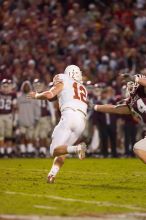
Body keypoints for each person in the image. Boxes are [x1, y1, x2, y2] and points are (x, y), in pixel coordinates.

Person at [28, 65, 88, 183]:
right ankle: (52, 174)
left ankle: (77, 148)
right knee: (63, 150)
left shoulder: (63, 78)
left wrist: (36, 95)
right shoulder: (83, 88)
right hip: (81, 122)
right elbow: (59, 96)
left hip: (69, 116)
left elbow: (50, 94)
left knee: (54, 150)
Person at [92, 73, 146, 164]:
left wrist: (134, 78)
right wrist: (95, 107)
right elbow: (115, 109)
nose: (129, 85)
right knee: (138, 148)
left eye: (131, 83)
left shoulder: (142, 90)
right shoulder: (132, 102)